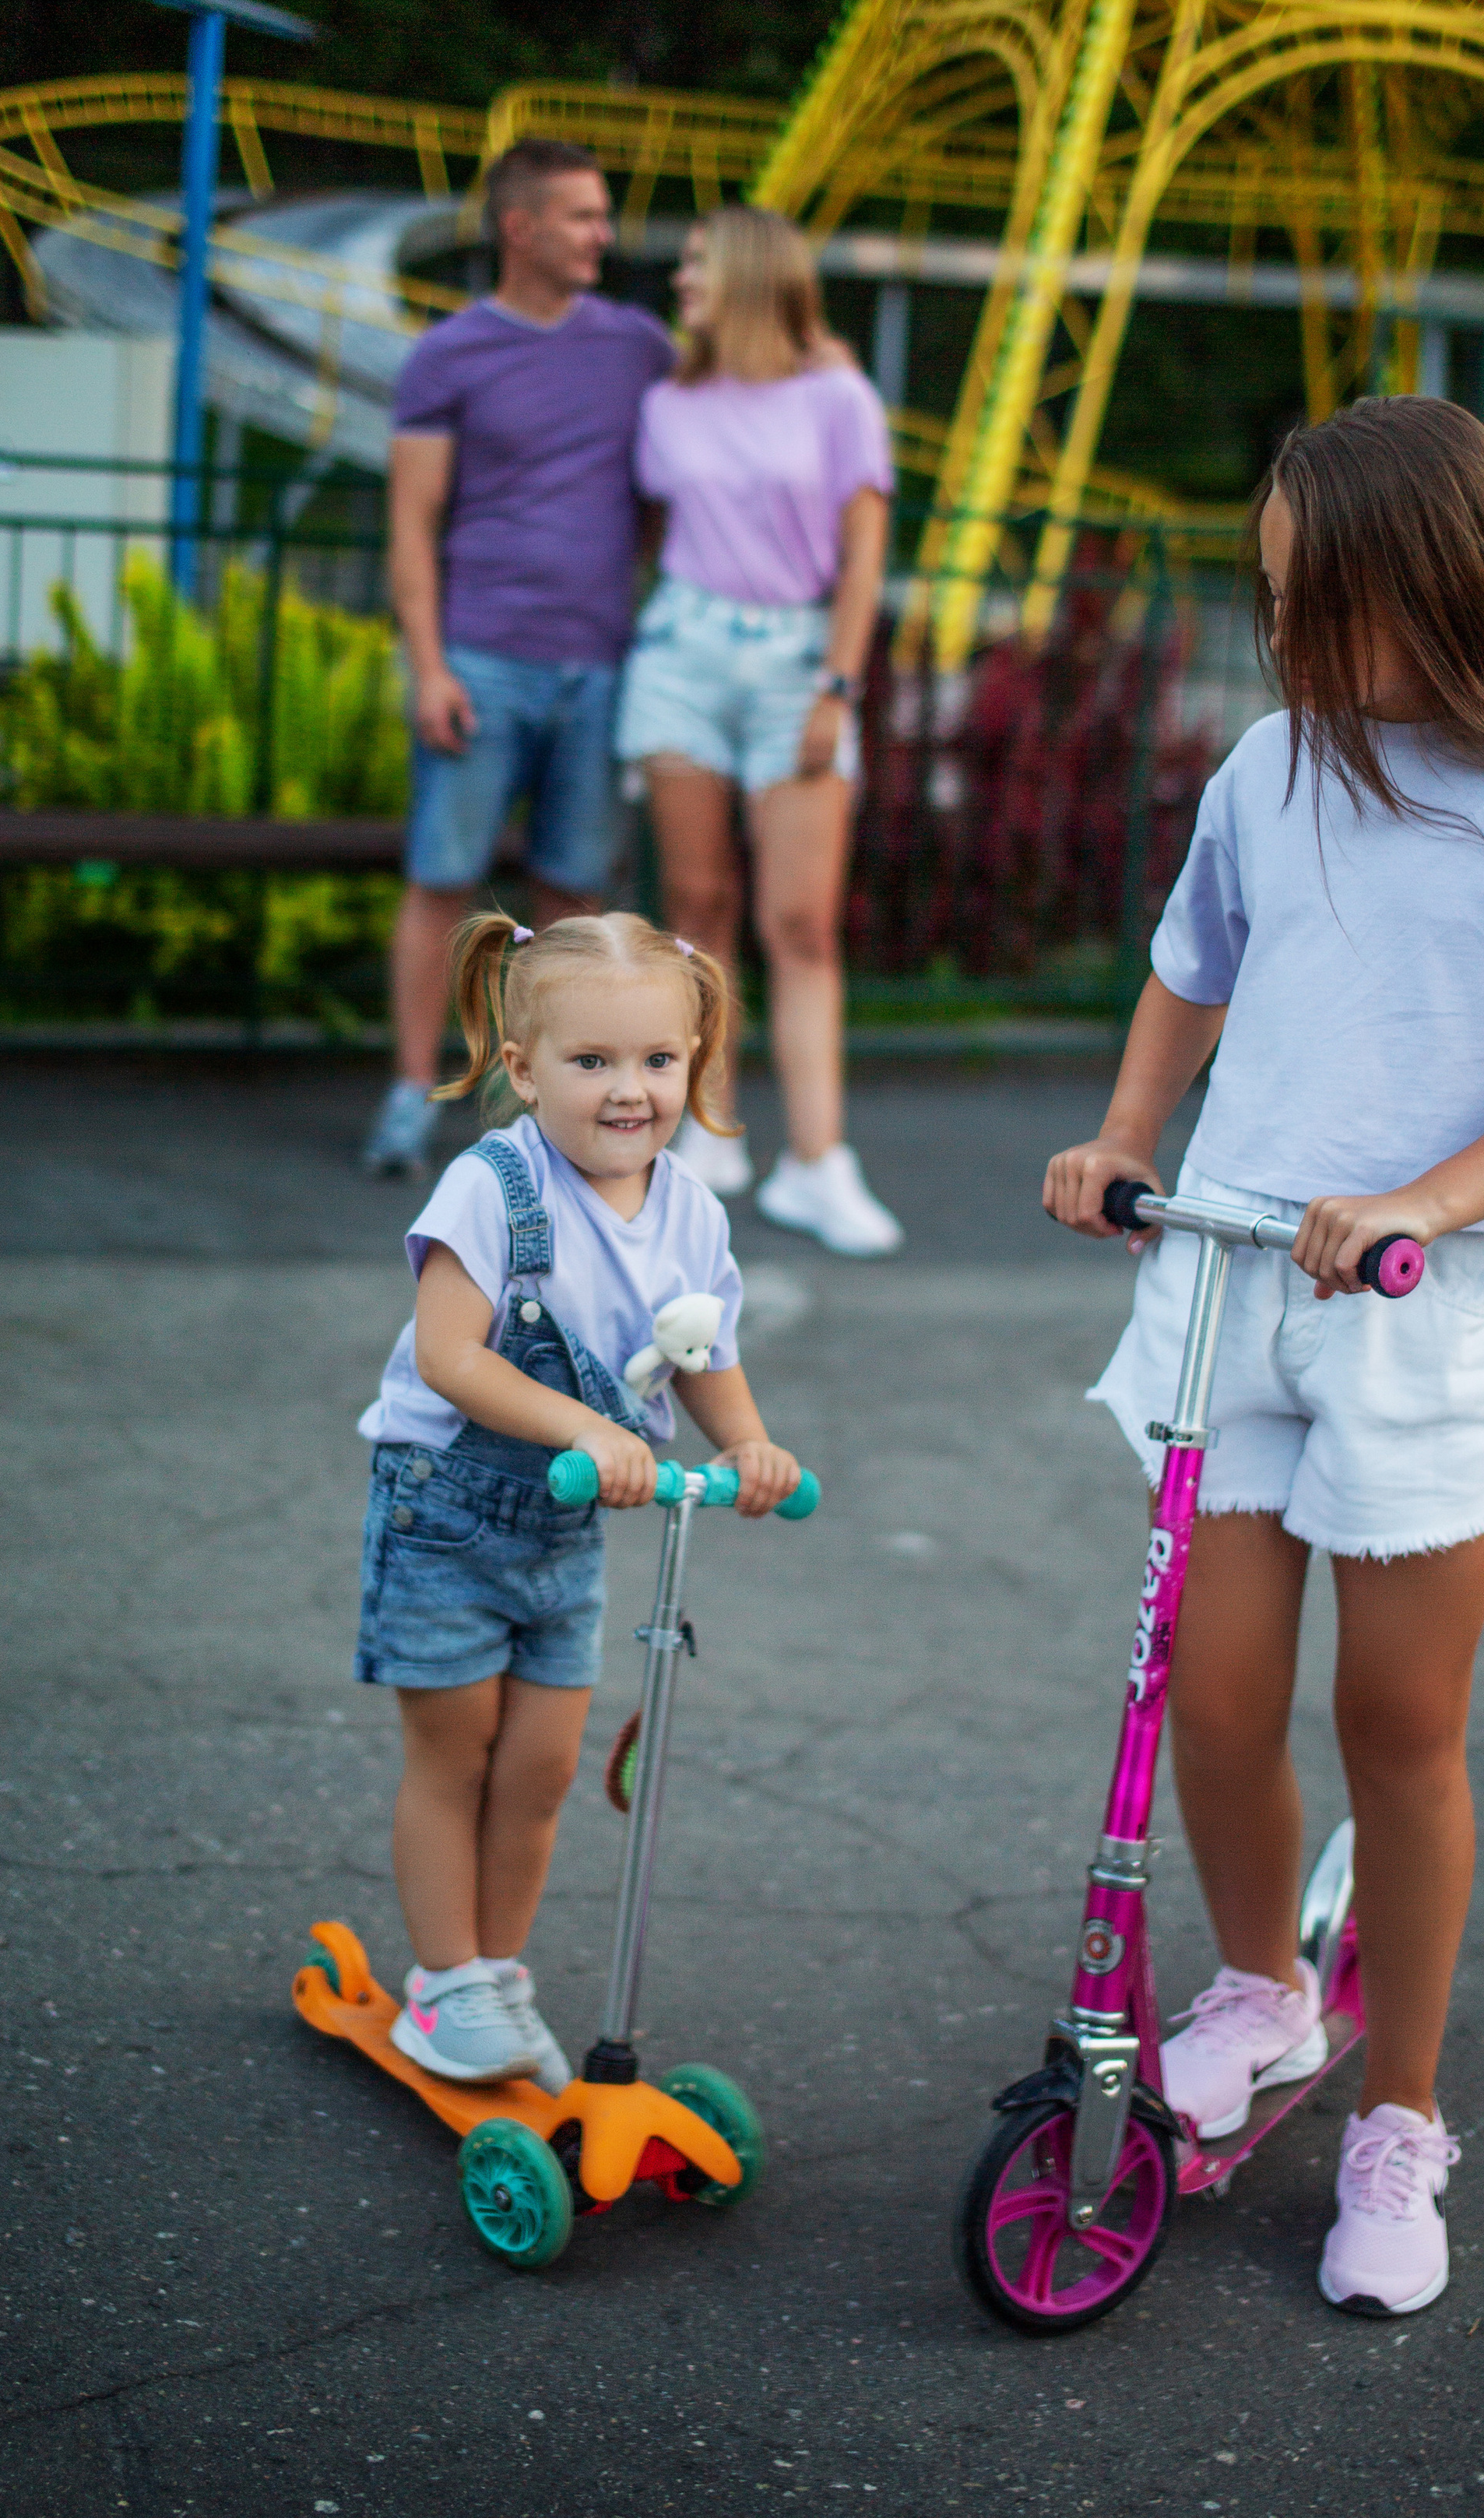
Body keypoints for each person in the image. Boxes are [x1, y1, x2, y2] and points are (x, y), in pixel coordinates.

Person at [1043, 396, 1484, 2318]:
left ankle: (1398, 2113)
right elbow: (1191, 959)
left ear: (1443, 587)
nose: (1287, 644)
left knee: (1393, 1731)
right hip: (1230, 1284)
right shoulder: (1268, 763)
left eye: (1322, 607)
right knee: (1211, 1699)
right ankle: (1260, 1984)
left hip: (1413, 1314)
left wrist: (1421, 1197)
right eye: (1274, 605)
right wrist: (1127, 1132)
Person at [353, 907, 804, 2086]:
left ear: (694, 1064)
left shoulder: (691, 1209)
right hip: (448, 1506)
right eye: (591, 1062)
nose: (629, 1092)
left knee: (544, 1768)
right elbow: (453, 1355)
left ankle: (500, 1972)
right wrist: (593, 1429)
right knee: (457, 1754)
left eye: (658, 1061)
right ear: (522, 1067)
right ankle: (442, 1982)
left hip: (569, 1522)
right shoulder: (492, 1186)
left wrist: (751, 1446)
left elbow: (706, 1355)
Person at [363, 139, 676, 1173]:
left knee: (574, 903)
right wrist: (429, 664)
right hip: (482, 660)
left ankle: (545, 1111)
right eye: (583, 216)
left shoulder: (639, 345)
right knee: (442, 883)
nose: (604, 235)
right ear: (520, 227)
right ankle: (412, 1095)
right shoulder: (449, 355)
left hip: (600, 667)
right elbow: (411, 524)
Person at [616, 205, 903, 1257]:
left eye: (696, 263)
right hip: (683, 655)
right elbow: (658, 530)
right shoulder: (668, 403)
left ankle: (820, 1163)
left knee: (802, 924)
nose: (681, 280)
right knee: (696, 903)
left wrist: (838, 684)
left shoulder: (838, 398)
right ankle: (714, 1131)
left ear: (746, 273)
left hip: (796, 668)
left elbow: (863, 555)